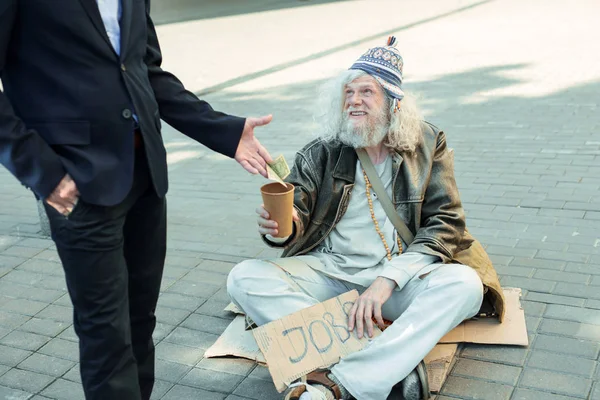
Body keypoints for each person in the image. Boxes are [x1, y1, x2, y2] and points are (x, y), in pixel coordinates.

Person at [0, 1, 272, 399]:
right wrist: (42, 173)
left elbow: (145, 70)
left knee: (139, 322)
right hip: (77, 185)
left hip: (145, 174)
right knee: (107, 335)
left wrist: (224, 132)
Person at [227, 37, 505, 400]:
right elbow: (298, 213)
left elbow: (447, 221)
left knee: (464, 285)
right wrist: (282, 229)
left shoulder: (426, 141)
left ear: (393, 103)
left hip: (399, 276)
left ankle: (338, 383)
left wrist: (388, 280)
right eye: (348, 92)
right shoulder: (321, 151)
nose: (354, 101)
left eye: (366, 92)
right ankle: (384, 365)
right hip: (332, 275)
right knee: (244, 278)